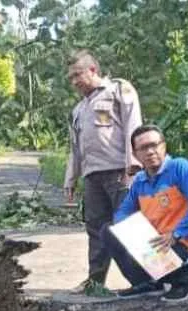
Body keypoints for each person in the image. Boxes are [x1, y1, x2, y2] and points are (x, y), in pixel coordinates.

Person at [101, 124, 188, 302]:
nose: (151, 151)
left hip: (183, 244)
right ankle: (148, 283)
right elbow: (123, 212)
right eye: (144, 148)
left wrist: (176, 233)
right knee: (109, 230)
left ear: (164, 146)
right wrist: (130, 232)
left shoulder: (179, 168)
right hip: (155, 244)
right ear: (136, 154)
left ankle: (186, 279)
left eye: (155, 145)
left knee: (154, 246)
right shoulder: (139, 181)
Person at [64, 50, 143, 295]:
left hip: (120, 172)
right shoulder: (78, 110)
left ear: (93, 70)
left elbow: (134, 126)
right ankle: (95, 282)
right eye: (71, 78)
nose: (75, 82)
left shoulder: (118, 91)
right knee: (96, 228)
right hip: (93, 176)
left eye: (78, 75)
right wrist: (70, 179)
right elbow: (75, 148)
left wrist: (133, 166)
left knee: (132, 227)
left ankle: (153, 279)